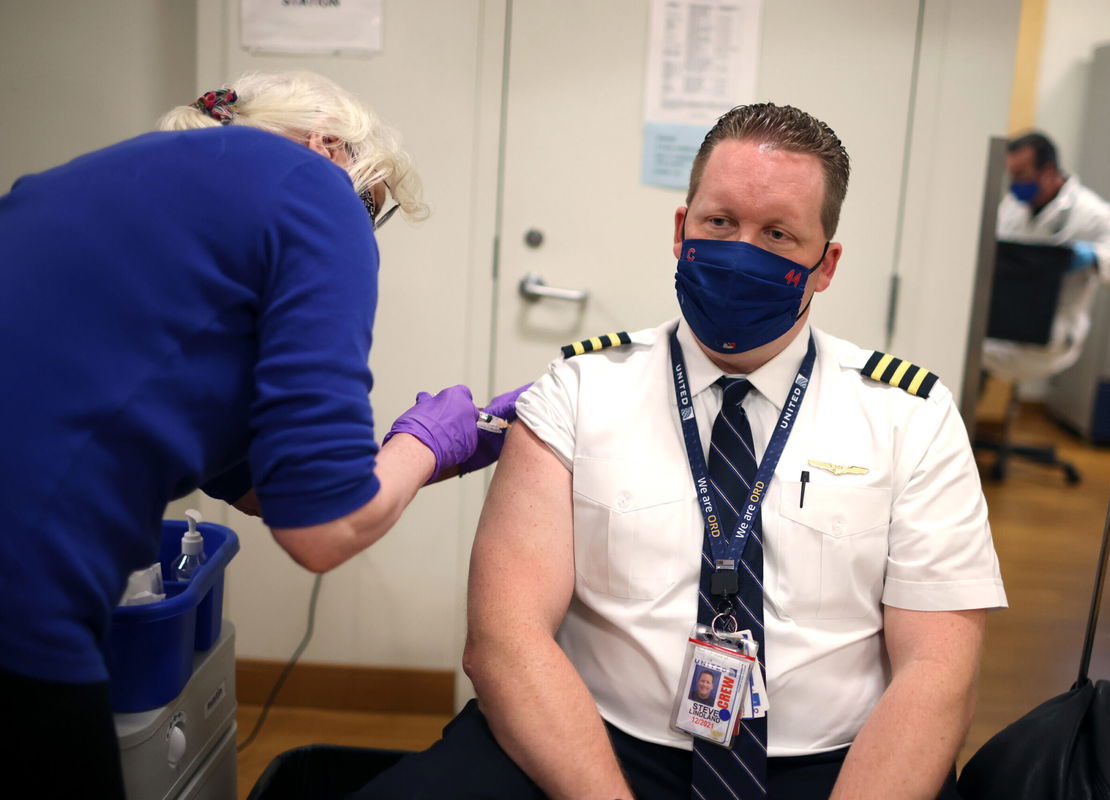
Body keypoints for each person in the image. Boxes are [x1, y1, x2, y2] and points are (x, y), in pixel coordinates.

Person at [350, 103, 1007, 800]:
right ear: (680, 229)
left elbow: (939, 672)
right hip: (590, 745)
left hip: (828, 768)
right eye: (720, 223)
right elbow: (504, 641)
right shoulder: (579, 390)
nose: (740, 251)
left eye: (778, 234)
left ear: (825, 264)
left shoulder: (911, 416)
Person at [0, 71, 524, 799]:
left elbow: (264, 491)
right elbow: (321, 530)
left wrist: (448, 448)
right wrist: (430, 440)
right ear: (331, 147)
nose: (361, 230)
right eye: (371, 206)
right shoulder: (313, 186)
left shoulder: (107, 188)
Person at [983, 131, 1110, 380]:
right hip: (1006, 322)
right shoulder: (1013, 204)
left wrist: (1091, 256)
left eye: (1021, 174)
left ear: (1048, 170)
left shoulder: (1090, 211)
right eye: (1011, 175)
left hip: (1052, 334)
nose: (1014, 183)